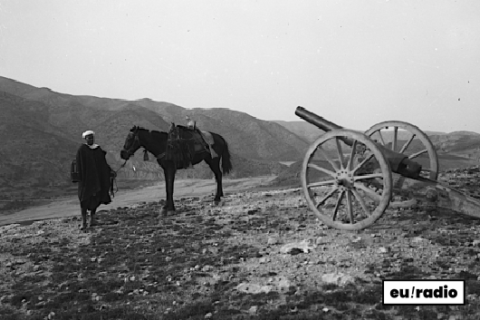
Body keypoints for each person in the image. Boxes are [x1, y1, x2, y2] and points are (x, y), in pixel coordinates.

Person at [76, 130, 115, 230]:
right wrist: (81, 178)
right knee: (84, 200)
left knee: (96, 199)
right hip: (86, 181)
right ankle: (84, 222)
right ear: (85, 139)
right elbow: (79, 165)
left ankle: (92, 219)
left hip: (98, 180)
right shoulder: (82, 150)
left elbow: (103, 163)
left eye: (92, 137)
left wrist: (109, 171)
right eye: (89, 138)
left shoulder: (98, 150)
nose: (91, 139)